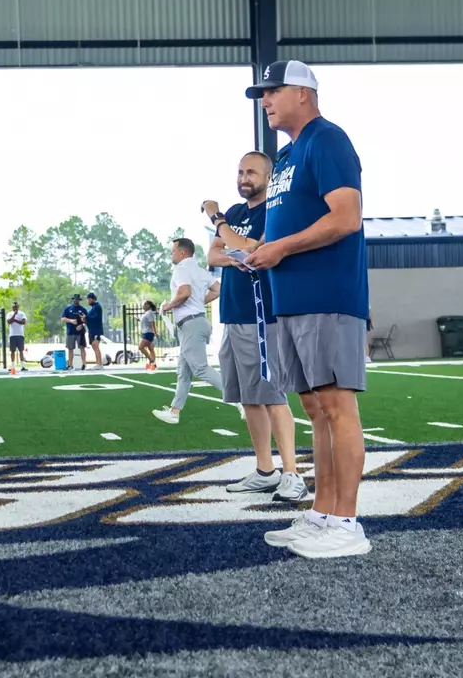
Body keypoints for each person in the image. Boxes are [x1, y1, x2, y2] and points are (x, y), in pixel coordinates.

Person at [245, 59, 370, 558]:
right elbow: (291, 224)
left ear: (303, 93)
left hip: (327, 296)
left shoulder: (327, 140)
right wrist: (263, 250)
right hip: (292, 300)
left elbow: (347, 218)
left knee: (337, 407)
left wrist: (280, 248)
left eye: (272, 91)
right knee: (316, 411)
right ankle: (321, 513)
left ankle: (347, 523)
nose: (265, 100)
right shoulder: (289, 155)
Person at [205, 151, 307, 503]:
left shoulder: (274, 210)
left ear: (268, 177)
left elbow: (250, 247)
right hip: (233, 314)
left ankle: (292, 473)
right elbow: (214, 255)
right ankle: (266, 471)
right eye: (240, 172)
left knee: (272, 395)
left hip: (262, 316)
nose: (243, 178)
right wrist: (234, 250)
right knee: (248, 397)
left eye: (251, 172)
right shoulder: (236, 213)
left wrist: (218, 220)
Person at [152, 238, 222, 424]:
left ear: (182, 253)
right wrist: (199, 303)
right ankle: (174, 412)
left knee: (200, 368)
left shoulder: (181, 269)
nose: (171, 253)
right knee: (183, 372)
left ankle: (241, 400)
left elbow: (185, 292)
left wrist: (168, 306)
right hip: (197, 322)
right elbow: (217, 290)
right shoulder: (200, 270)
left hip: (191, 324)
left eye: (173, 250)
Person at [61, 294, 88, 370]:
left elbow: (87, 320)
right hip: (71, 332)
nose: (76, 301)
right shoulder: (68, 308)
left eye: (77, 299)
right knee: (70, 349)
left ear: (79, 300)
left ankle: (84, 364)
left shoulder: (83, 309)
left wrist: (82, 324)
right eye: (75, 299)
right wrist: (71, 321)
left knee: (82, 348)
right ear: (73, 300)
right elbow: (63, 318)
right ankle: (70, 364)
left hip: (80, 332)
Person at [84, 292, 106, 368]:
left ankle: (99, 364)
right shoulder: (92, 308)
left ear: (91, 299)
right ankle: (98, 363)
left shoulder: (97, 307)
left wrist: (87, 317)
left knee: (96, 345)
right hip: (91, 330)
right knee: (94, 346)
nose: (87, 301)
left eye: (88, 299)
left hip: (96, 330)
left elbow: (96, 318)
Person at [7, 301, 29, 369]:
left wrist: (15, 320)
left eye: (16, 307)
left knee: (21, 350)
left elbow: (23, 322)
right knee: (12, 351)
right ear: (12, 307)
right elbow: (9, 321)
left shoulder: (22, 314)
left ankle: (22, 366)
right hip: (12, 335)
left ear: (18, 307)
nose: (15, 308)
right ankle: (12, 366)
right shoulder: (9, 314)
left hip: (20, 334)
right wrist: (14, 315)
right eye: (14, 307)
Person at [138, 300, 159, 369]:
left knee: (141, 347)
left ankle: (151, 360)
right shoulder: (146, 313)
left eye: (146, 304)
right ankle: (152, 364)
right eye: (144, 304)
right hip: (145, 332)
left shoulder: (149, 313)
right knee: (151, 349)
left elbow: (152, 323)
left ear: (149, 306)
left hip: (148, 333)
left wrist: (155, 332)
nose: (144, 305)